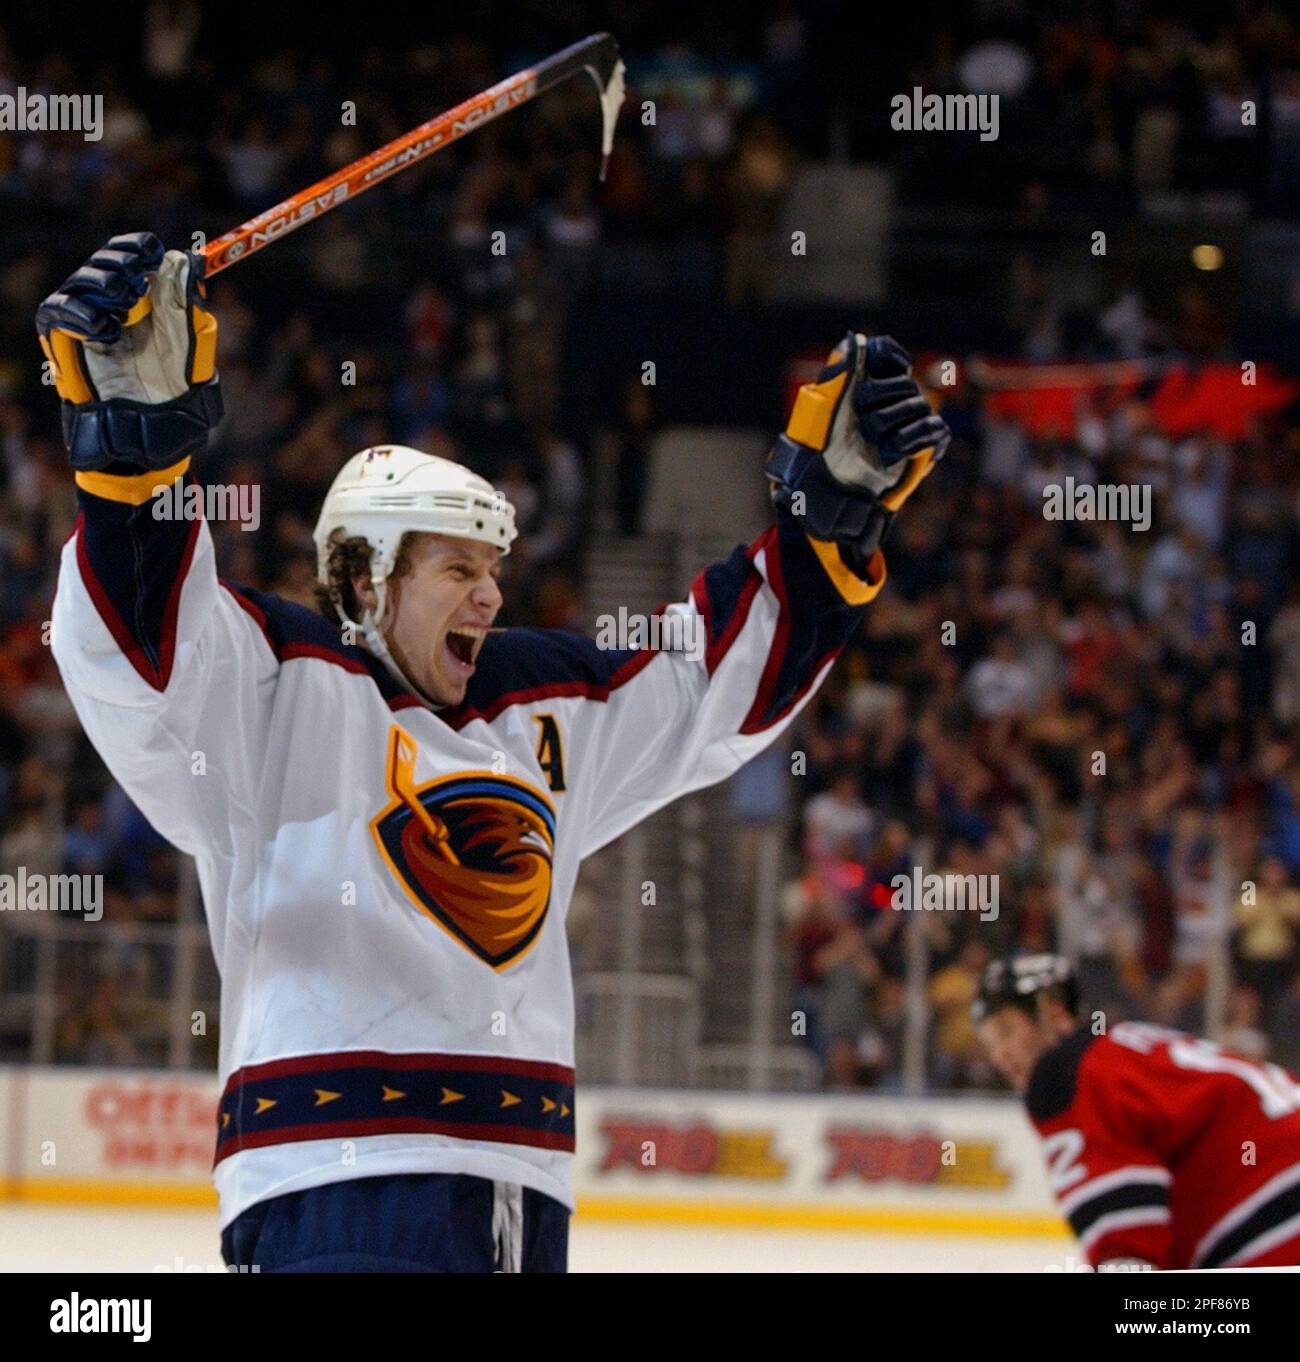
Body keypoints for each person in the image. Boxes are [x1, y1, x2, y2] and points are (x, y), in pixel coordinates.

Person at [37, 231, 949, 1272]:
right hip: (330, 1185)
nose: (490, 592)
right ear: (365, 575)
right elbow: (137, 657)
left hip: (520, 1193)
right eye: (457, 566)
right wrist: (135, 465)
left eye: (495, 567)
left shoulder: (542, 707)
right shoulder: (271, 684)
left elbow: (711, 688)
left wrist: (822, 532)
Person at [974, 953, 1300, 1270]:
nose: (1000, 1055)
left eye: (1006, 1031)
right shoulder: (1126, 1046)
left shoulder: (1065, 1074)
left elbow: (1126, 1253)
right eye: (989, 1045)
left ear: (1054, 1013)